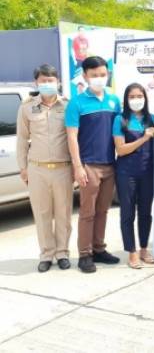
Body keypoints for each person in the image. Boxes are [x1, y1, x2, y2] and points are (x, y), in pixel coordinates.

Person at [65, 56, 121, 273]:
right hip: (89, 165)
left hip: (110, 164)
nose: (99, 78)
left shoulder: (114, 100)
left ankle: (99, 249)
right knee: (87, 212)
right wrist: (78, 167)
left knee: (103, 211)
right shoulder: (77, 103)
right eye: (94, 75)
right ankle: (85, 254)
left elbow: (121, 130)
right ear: (85, 76)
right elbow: (72, 136)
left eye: (103, 74)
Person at [16, 64, 73, 272]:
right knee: (42, 214)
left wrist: (77, 166)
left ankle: (62, 252)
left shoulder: (68, 106)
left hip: (63, 168)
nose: (47, 84)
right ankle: (47, 254)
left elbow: (74, 138)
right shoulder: (26, 107)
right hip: (37, 169)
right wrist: (23, 167)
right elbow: (22, 139)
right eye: (43, 80)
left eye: (51, 80)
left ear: (58, 82)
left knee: (63, 213)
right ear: (36, 83)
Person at [113, 83, 154, 269]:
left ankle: (144, 249)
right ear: (126, 99)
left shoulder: (153, 119)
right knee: (128, 212)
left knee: (145, 212)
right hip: (126, 172)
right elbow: (121, 149)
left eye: (140, 96)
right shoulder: (120, 120)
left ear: (145, 98)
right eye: (132, 97)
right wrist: (144, 138)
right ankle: (132, 252)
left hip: (148, 172)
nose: (136, 100)